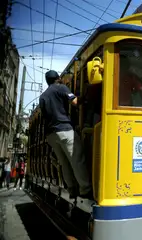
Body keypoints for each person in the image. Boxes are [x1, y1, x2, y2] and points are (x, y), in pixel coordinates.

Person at [39, 70, 93, 200]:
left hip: (51, 134)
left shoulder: (43, 96)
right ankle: (85, 189)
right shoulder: (61, 87)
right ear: (58, 79)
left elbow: (45, 117)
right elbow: (75, 102)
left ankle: (72, 189)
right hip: (64, 130)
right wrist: (85, 95)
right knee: (77, 160)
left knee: (64, 163)